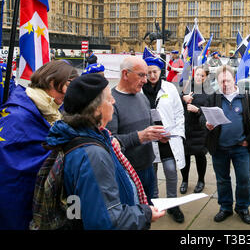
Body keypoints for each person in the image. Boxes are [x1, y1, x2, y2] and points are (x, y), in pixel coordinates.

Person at [45, 73, 165, 229]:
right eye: (109, 99)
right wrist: (145, 213)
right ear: (95, 110)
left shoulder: (93, 137)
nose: (114, 101)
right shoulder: (93, 154)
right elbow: (106, 221)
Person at [0, 60, 78, 229]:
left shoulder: (49, 111)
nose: (69, 93)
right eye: (68, 85)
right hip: (16, 202)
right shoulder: (18, 115)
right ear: (52, 82)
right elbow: (11, 165)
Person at [202, 65, 250, 224]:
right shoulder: (213, 97)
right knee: (222, 180)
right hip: (219, 148)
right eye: (221, 81)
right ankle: (225, 207)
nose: (224, 84)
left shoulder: (247, 97)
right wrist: (206, 124)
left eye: (227, 80)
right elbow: (203, 117)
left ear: (234, 79)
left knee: (243, 180)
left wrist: (249, 140)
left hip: (241, 148)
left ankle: (242, 207)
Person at [106, 57, 167, 205]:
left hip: (149, 167)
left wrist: (158, 135)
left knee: (148, 209)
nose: (146, 80)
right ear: (125, 74)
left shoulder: (142, 97)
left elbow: (149, 124)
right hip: (127, 172)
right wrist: (140, 136)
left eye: (146, 75)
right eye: (141, 75)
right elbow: (110, 141)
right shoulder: (110, 102)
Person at [142, 57, 186, 223]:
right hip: (148, 138)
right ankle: (154, 203)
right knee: (150, 174)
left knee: (170, 170)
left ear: (161, 72)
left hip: (167, 138)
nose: (152, 75)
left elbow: (178, 114)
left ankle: (173, 205)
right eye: (149, 72)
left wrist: (174, 134)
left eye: (155, 71)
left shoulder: (170, 88)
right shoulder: (140, 90)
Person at [180, 66, 210, 194]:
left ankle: (201, 180)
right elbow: (175, 102)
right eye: (197, 74)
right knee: (184, 156)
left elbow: (210, 111)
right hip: (185, 128)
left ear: (206, 77)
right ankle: (184, 180)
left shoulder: (209, 91)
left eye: (202, 75)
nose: (199, 77)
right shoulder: (186, 87)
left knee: (200, 156)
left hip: (199, 130)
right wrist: (183, 98)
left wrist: (198, 110)